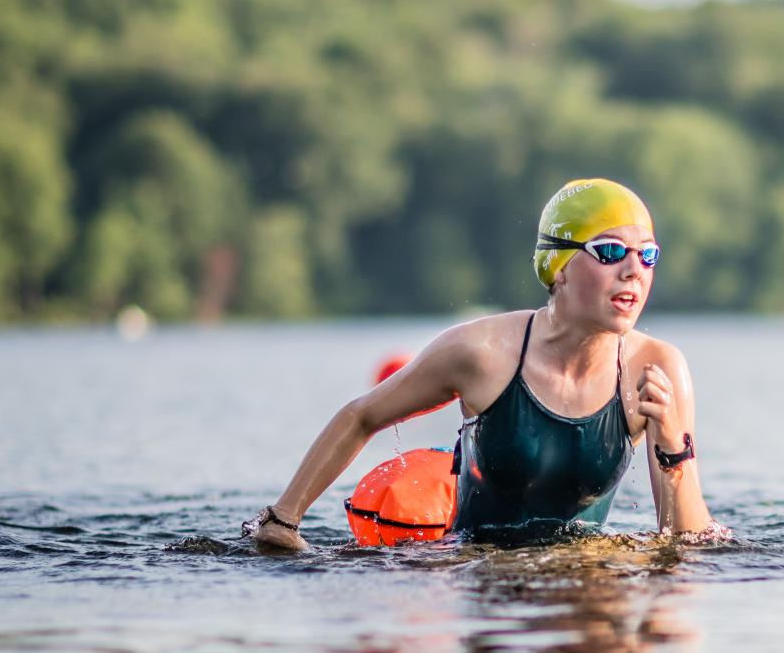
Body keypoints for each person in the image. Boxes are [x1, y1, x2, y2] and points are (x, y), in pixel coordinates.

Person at [245, 178, 712, 552]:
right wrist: (283, 520)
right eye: (610, 251)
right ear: (559, 266)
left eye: (648, 255)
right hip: (482, 569)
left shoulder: (656, 368)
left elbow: (688, 542)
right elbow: (362, 416)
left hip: (590, 580)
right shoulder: (483, 352)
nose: (634, 270)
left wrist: (674, 446)